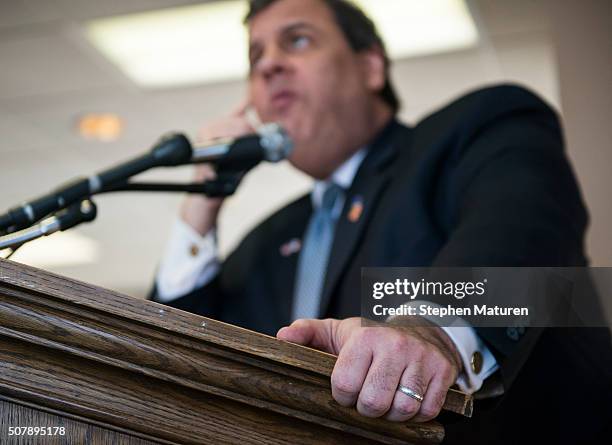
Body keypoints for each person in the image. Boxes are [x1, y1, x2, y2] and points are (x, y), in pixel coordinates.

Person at [151, 0, 612, 443]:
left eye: (296, 40)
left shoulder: (476, 129)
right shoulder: (269, 240)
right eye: (256, 56)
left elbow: (526, 241)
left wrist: (432, 335)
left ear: (371, 66)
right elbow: (177, 355)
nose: (268, 65)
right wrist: (202, 198)